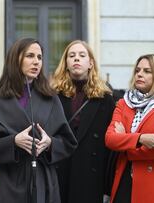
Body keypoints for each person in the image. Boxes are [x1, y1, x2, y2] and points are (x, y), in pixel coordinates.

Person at [0, 38, 77, 203]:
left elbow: (68, 142)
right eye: (30, 56)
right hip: (8, 182)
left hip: (44, 182)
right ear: (16, 59)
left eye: (39, 57)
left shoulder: (51, 98)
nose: (36, 61)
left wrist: (50, 143)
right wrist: (13, 142)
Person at [105, 54, 154, 203]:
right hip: (127, 179)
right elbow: (110, 139)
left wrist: (126, 143)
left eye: (147, 71)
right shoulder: (124, 103)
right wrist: (141, 139)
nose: (140, 74)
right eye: (138, 70)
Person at [51, 40, 116, 203]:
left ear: (90, 63)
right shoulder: (54, 96)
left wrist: (108, 186)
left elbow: (109, 147)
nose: (76, 59)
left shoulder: (105, 98)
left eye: (81, 55)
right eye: (71, 56)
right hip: (61, 170)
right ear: (66, 63)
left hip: (91, 173)